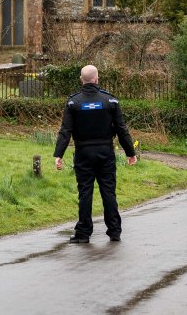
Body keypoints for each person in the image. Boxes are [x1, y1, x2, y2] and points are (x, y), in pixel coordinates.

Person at [54, 64, 137, 243]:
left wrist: (58, 154)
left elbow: (65, 130)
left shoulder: (73, 103)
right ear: (97, 79)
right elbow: (122, 129)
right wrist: (130, 152)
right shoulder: (110, 101)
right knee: (108, 190)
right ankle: (114, 231)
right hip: (105, 151)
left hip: (83, 152)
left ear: (81, 80)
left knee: (85, 191)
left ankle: (83, 233)